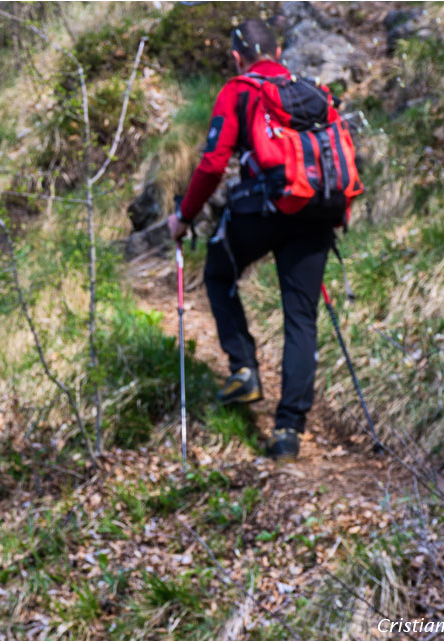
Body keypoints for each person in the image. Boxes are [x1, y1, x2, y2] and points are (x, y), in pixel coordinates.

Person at [167, 19, 339, 461]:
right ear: (278, 50)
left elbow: (212, 163)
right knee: (301, 317)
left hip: (267, 208)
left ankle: (244, 369)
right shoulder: (311, 91)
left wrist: (183, 217)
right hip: (318, 209)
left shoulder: (238, 90)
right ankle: (288, 432)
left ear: (237, 57)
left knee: (219, 271)